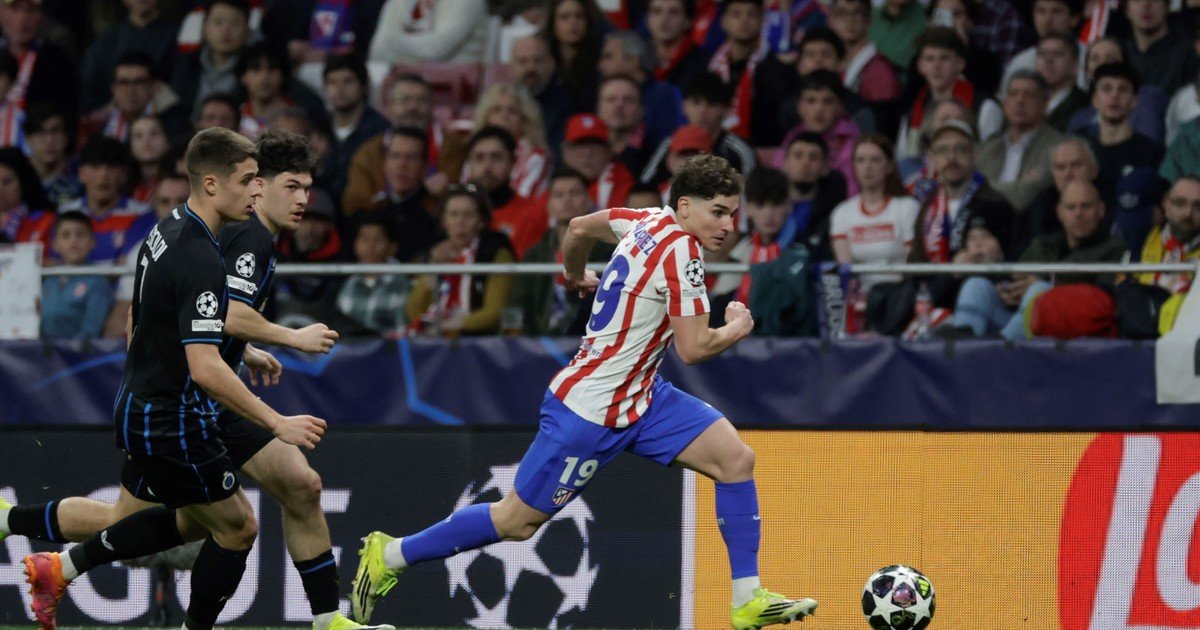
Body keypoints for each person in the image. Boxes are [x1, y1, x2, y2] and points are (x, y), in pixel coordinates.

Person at [351, 155, 818, 630]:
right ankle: (391, 555)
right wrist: (737, 327)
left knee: (735, 459)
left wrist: (574, 273)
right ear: (684, 206)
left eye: (732, 213)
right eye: (718, 212)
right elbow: (694, 348)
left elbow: (577, 228)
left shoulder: (644, 219)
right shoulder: (683, 254)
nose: (728, 225)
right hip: (592, 411)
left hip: (643, 395)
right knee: (516, 521)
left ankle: (747, 598)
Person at [6, 130, 389, 630]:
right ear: (216, 183)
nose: (295, 198)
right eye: (271, 184)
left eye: (305, 188)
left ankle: (47, 556)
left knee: (286, 490)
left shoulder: (176, 227)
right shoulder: (238, 241)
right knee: (233, 525)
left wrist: (240, 349)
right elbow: (210, 345)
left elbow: (162, 314)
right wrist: (284, 367)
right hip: (180, 408)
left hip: (164, 400)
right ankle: (58, 561)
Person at [507, 169, 609, 336]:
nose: (567, 199)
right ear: (549, 205)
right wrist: (514, 340)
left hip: (589, 341)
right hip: (536, 343)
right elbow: (517, 302)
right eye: (559, 195)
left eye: (574, 193)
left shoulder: (606, 251)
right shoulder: (535, 254)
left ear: (588, 201)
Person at [405, 184, 516, 336]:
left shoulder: (496, 254)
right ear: (444, 221)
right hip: (435, 339)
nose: (460, 222)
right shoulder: (436, 253)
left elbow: (494, 312)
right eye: (453, 214)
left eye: (468, 215)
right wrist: (432, 269)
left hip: (477, 341)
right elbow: (414, 311)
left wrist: (452, 325)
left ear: (481, 221)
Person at [830, 135, 919, 293]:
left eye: (875, 160)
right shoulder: (842, 212)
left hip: (899, 292)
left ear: (890, 166)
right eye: (860, 160)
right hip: (858, 295)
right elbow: (845, 268)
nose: (867, 167)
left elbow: (910, 263)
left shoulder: (908, 207)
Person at [975, 70, 1064, 212]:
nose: (1020, 101)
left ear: (1045, 104)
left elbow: (1029, 192)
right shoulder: (987, 148)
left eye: (1029, 95)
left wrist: (982, 189)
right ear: (1004, 103)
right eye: (1013, 94)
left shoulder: (1058, 146)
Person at [464, 83, 552, 199]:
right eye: (497, 110)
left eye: (512, 111)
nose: (504, 116)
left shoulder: (536, 158)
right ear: (485, 117)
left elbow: (525, 200)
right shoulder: (474, 152)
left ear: (524, 119)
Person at [336, 211, 411, 337]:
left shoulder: (404, 283)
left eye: (378, 239)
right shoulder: (348, 282)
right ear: (355, 244)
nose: (370, 246)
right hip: (350, 347)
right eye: (364, 239)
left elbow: (403, 331)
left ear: (392, 247)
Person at [39, 211, 113, 340]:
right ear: (55, 244)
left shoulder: (98, 281)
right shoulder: (48, 279)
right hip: (40, 349)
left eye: (80, 234)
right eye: (66, 235)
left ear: (92, 242)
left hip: (79, 351)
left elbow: (90, 330)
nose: (74, 240)